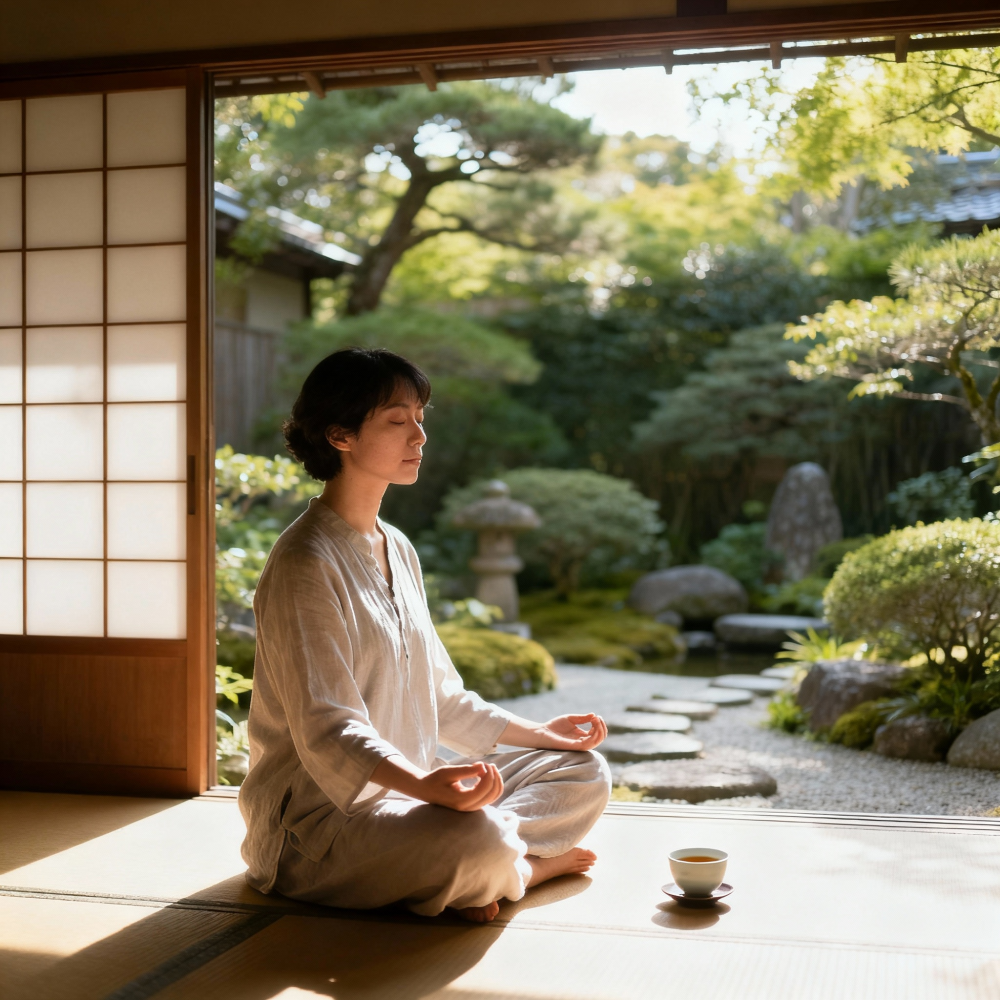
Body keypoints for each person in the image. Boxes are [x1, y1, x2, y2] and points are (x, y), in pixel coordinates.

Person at [239, 347, 611, 923]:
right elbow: (328, 728)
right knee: (475, 838)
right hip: (318, 828)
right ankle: (521, 869)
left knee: (583, 770)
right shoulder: (304, 563)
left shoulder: (398, 547)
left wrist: (542, 734)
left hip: (412, 801)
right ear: (340, 435)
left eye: (421, 417)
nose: (419, 435)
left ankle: (478, 877)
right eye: (397, 420)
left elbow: (441, 698)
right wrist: (425, 787)